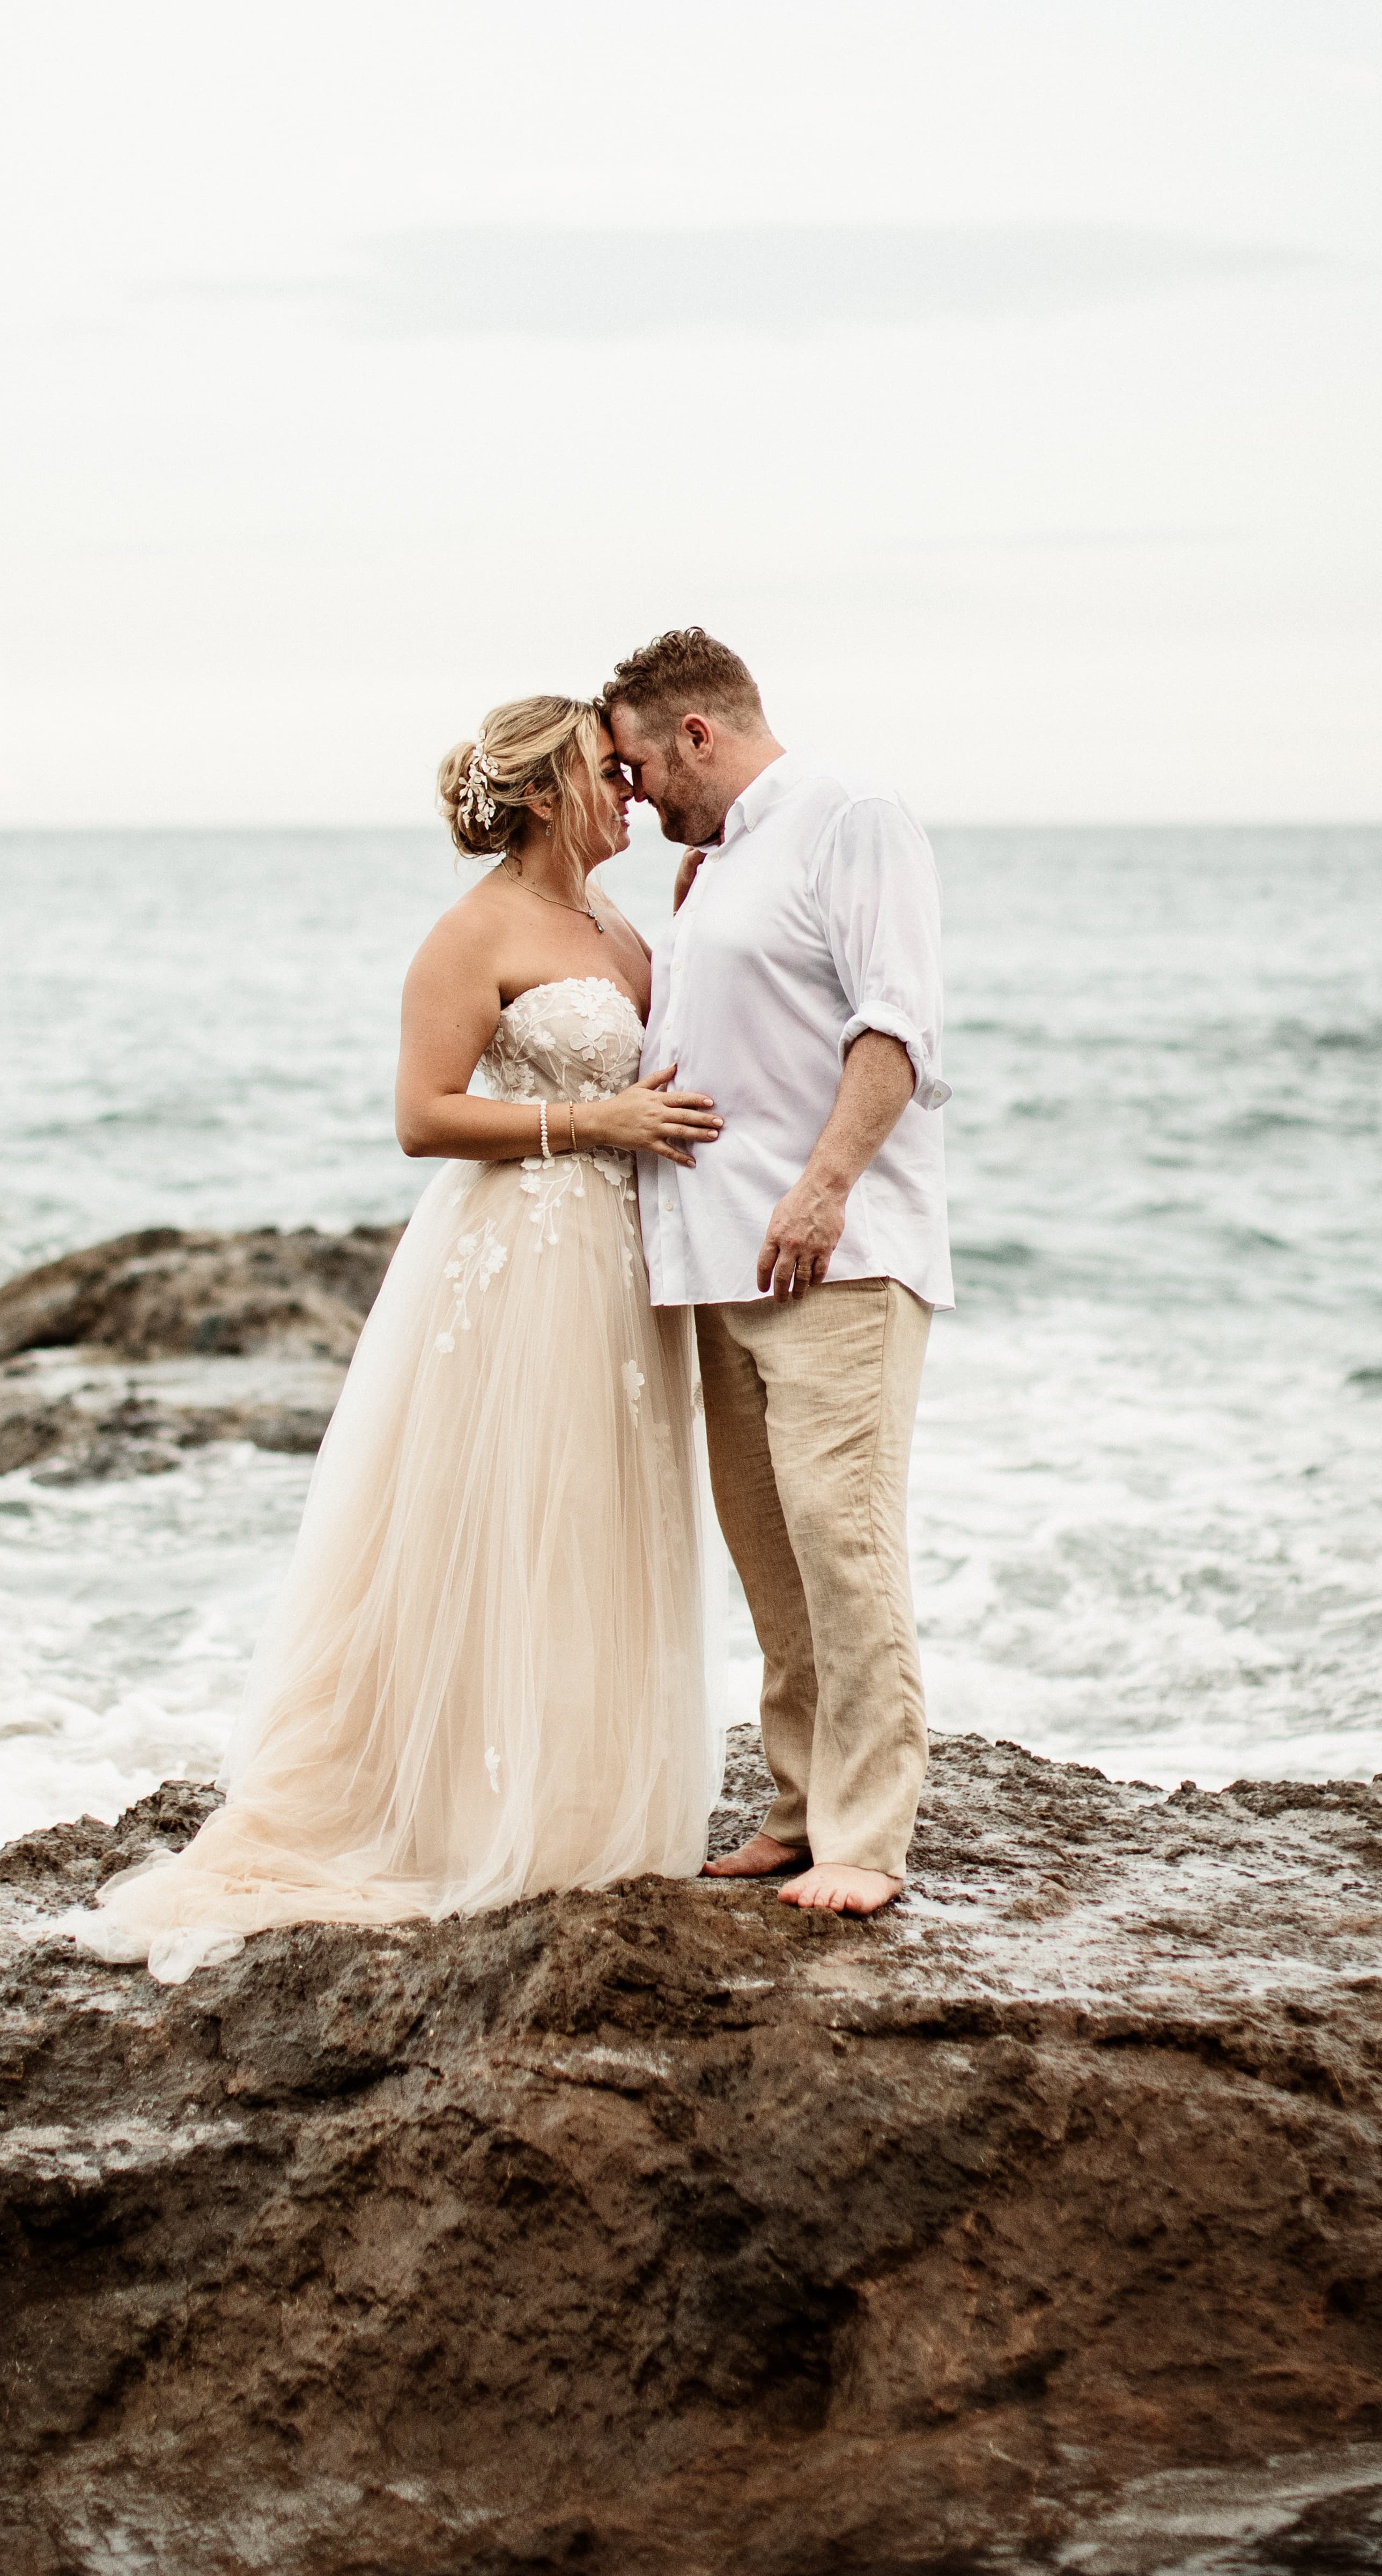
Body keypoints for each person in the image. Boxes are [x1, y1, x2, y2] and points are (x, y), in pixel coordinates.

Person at [71, 695, 725, 1981]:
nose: (632, 789)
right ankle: (454, 1807)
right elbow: (423, 1116)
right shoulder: (471, 931)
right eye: (608, 770)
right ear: (545, 791)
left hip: (621, 1256)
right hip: (520, 1252)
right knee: (508, 1514)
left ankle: (576, 1787)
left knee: (598, 1513)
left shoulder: (621, 923)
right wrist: (591, 1124)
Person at [601, 629, 952, 1919]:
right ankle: (800, 1808)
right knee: (772, 1555)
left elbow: (896, 1019)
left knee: (842, 1539)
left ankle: (868, 1836)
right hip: (714, 1262)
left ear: (698, 731)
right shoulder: (712, 865)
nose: (633, 799)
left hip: (835, 1258)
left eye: (638, 767)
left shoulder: (847, 818)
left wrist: (826, 1185)